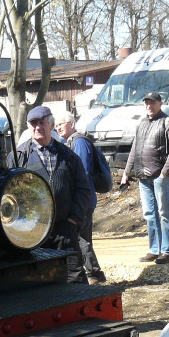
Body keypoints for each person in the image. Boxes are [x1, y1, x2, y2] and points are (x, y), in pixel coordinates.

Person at [10, 105, 92, 284]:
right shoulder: (18, 157)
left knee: (75, 278)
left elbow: (83, 189)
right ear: (29, 127)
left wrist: (74, 220)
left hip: (65, 231)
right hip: (32, 234)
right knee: (39, 283)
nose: (38, 127)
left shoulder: (68, 156)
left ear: (51, 125)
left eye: (42, 122)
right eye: (33, 123)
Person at [119, 92, 169, 264]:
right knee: (149, 213)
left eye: (152, 103)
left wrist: (164, 173)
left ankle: (166, 252)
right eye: (147, 103)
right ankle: (154, 250)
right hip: (142, 176)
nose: (149, 106)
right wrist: (126, 172)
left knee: (164, 213)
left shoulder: (168, 122)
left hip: (159, 175)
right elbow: (135, 149)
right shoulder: (142, 123)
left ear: (160, 104)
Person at [56, 112, 108, 283]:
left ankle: (94, 274)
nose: (58, 128)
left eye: (61, 124)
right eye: (56, 125)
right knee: (83, 237)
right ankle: (94, 273)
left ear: (71, 123)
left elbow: (83, 173)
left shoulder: (79, 142)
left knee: (81, 238)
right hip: (83, 199)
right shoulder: (71, 142)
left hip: (84, 200)